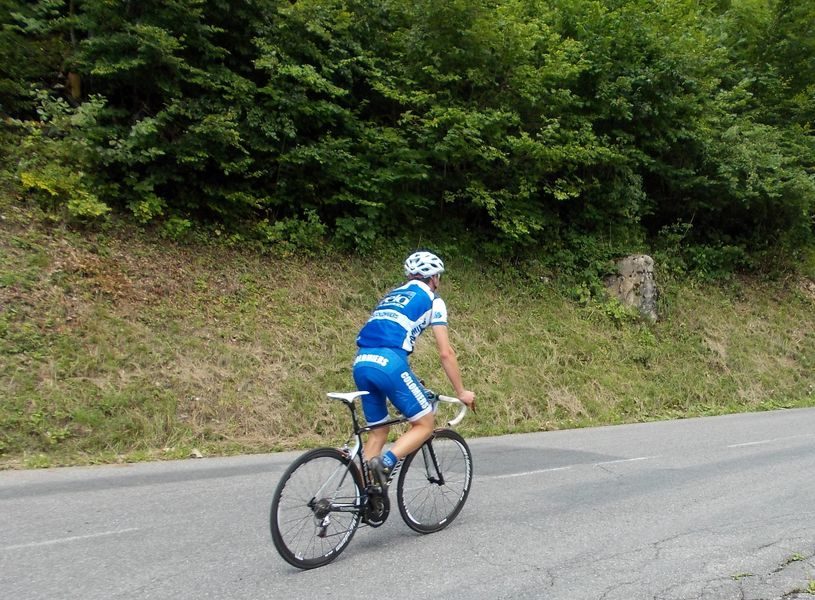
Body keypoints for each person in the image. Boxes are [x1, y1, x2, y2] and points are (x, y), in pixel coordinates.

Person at [352, 250, 476, 489]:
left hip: (362, 362)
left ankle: (365, 497)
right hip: (390, 363)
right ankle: (386, 462)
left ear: (409, 275)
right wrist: (461, 392)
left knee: (378, 431)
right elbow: (445, 352)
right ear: (435, 278)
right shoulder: (432, 299)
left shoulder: (392, 295)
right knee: (424, 424)